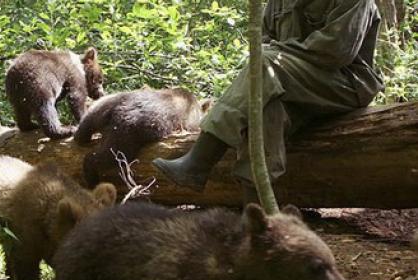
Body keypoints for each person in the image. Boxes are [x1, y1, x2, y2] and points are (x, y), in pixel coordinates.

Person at [152, 0, 384, 200]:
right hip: (290, 84)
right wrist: (276, 54)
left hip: (345, 85)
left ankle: (198, 161)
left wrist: (278, 53)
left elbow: (335, 51)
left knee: (265, 65)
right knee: (266, 107)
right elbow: (263, 39)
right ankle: (256, 211)